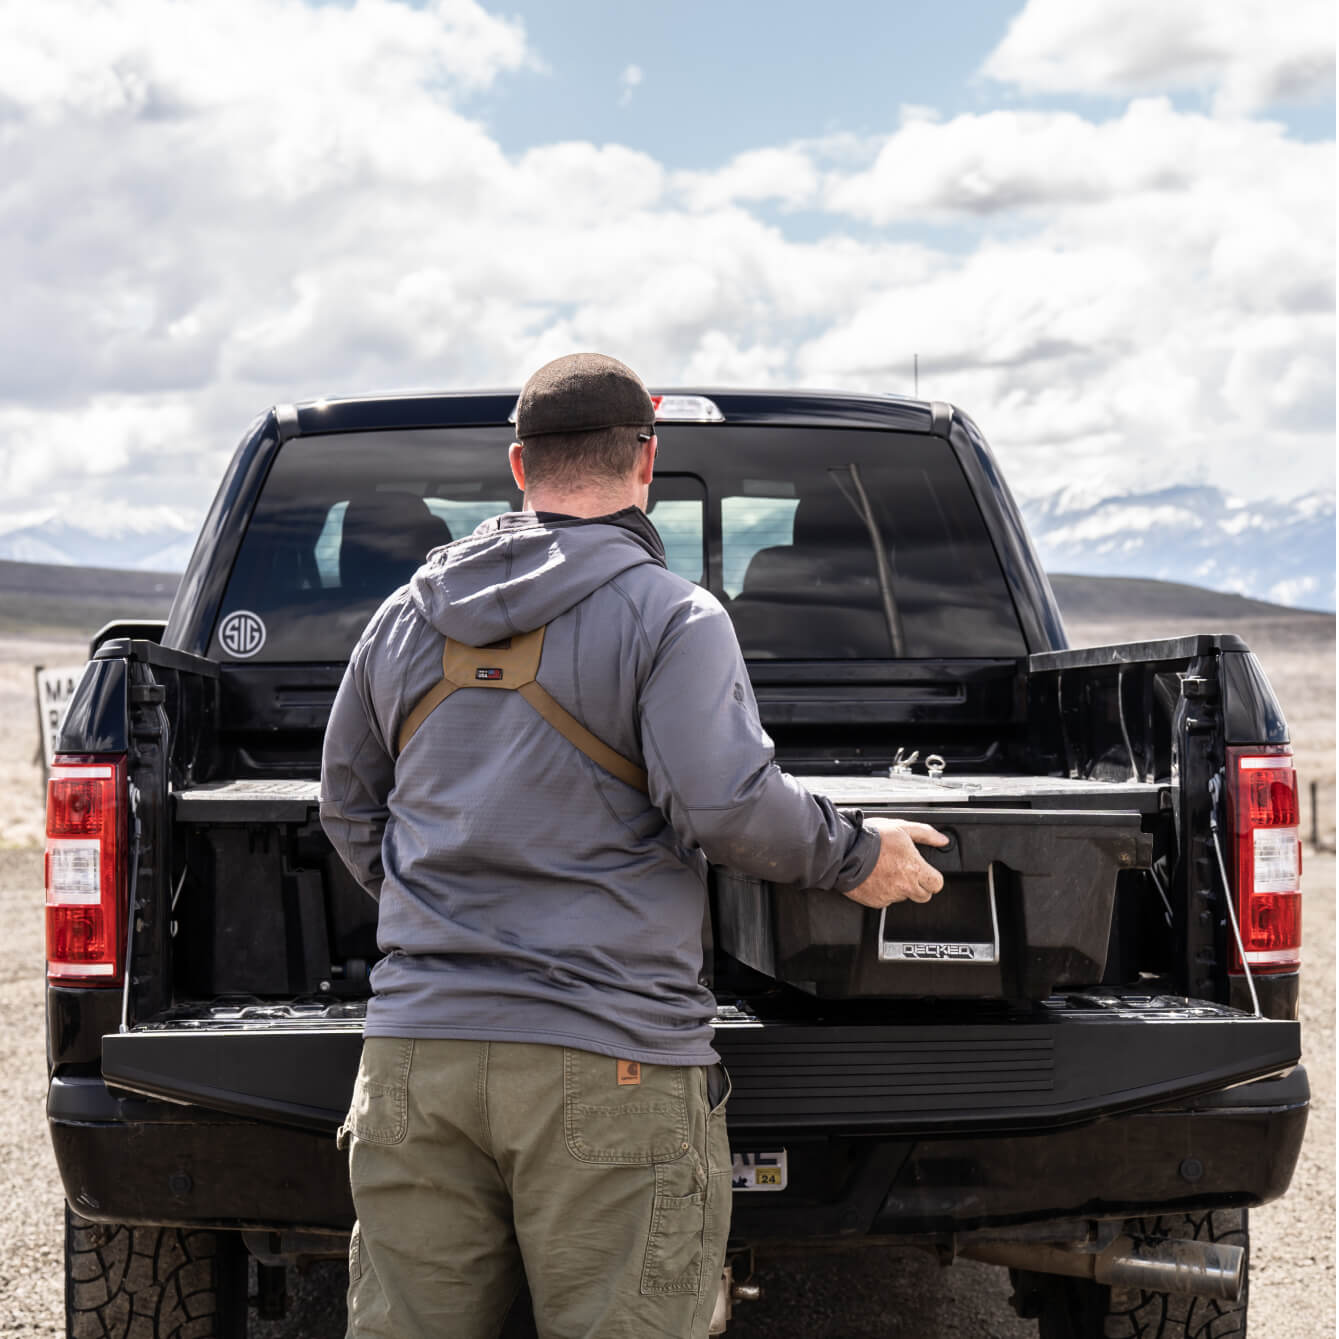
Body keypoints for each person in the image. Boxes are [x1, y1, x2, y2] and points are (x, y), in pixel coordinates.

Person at [320, 352, 948, 1339]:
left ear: (518, 467)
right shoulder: (673, 616)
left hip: (413, 1059)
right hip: (606, 1060)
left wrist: (437, 916)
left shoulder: (401, 621)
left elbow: (352, 811)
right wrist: (857, 853)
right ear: (645, 464)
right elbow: (727, 806)